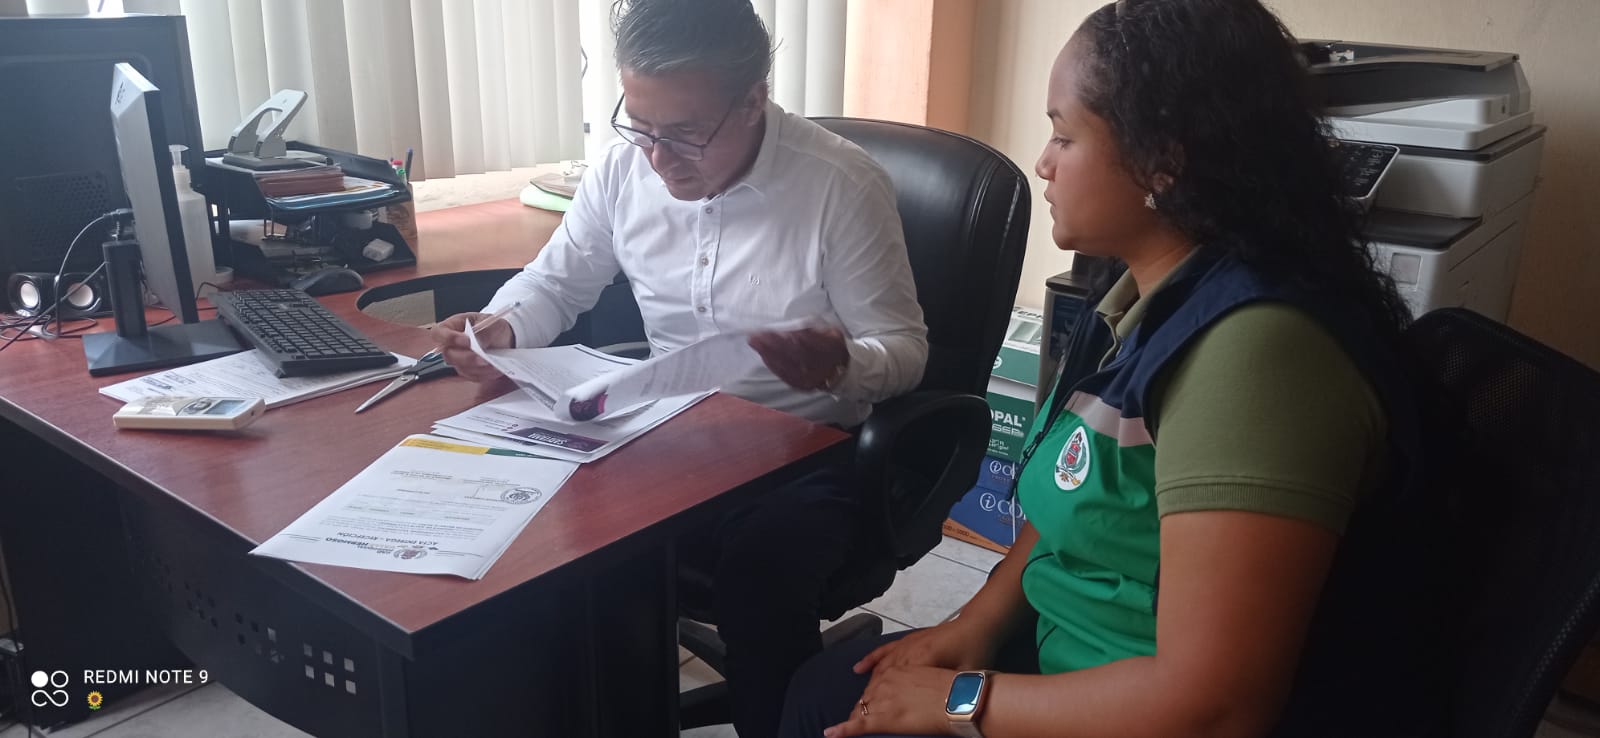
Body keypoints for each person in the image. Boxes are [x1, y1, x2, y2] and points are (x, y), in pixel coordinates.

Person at [779, 1, 1435, 737]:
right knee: (826, 691)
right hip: (1074, 664)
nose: (1044, 162)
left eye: (1064, 135)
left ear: (1164, 161)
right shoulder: (1146, 301)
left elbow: (1218, 709)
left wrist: (961, 701)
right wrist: (973, 624)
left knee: (823, 707)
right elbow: (1080, 501)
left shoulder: (1255, 356)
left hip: (1144, 714)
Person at [433, 1, 927, 736]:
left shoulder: (839, 186)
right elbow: (556, 283)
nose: (658, 158)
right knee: (539, 531)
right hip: (665, 433)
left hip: (802, 450)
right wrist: (502, 327)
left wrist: (843, 365)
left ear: (753, 99)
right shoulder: (622, 170)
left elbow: (904, 351)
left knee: (759, 572)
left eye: (686, 133)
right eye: (640, 126)